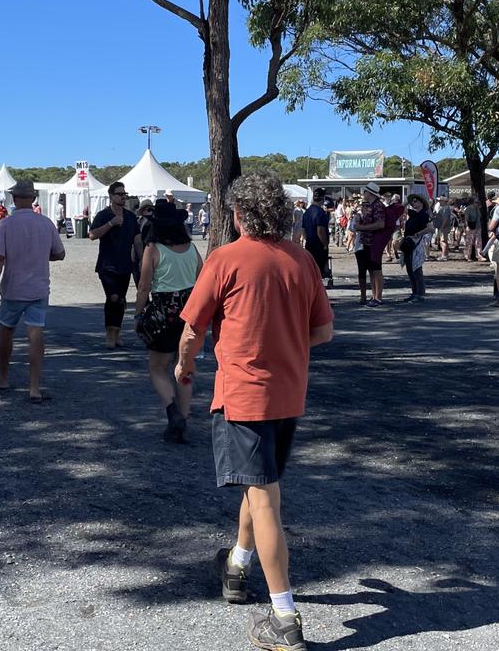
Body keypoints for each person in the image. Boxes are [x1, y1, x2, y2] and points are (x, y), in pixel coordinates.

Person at [175, 171, 333, 651]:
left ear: (238, 214)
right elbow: (323, 332)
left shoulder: (226, 259)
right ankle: (237, 566)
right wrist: (284, 346)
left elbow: (191, 330)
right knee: (261, 484)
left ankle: (285, 618)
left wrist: (184, 370)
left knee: (264, 497)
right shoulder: (301, 260)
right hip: (289, 393)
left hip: (245, 394)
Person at [0, 180, 66, 401]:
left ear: (14, 198)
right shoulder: (46, 223)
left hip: (13, 288)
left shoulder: (5, 225)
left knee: (5, 331)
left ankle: (2, 377)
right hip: (38, 288)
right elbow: (60, 253)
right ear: (33, 199)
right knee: (36, 336)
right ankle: (35, 388)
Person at [135, 200, 203, 442]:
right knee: (183, 367)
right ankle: (182, 420)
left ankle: (172, 411)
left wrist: (138, 314)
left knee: (158, 367)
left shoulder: (153, 250)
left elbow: (144, 287)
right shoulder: (191, 248)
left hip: (163, 312)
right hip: (189, 311)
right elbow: (201, 278)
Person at [89, 181, 139, 348]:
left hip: (125, 265)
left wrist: (143, 259)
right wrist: (111, 224)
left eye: (125, 194)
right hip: (107, 265)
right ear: (111, 196)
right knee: (113, 297)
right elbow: (92, 235)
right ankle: (109, 334)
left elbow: (137, 241)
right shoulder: (103, 215)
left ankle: (116, 332)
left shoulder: (131, 217)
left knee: (121, 299)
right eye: (120, 194)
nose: (123, 197)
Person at [351, 182, 388, 307]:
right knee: (372, 270)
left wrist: (362, 227)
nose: (363, 193)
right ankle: (374, 296)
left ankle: (378, 298)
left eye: (365, 191)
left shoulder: (378, 206)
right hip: (367, 241)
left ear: (370, 193)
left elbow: (380, 224)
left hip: (374, 241)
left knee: (376, 269)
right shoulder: (370, 206)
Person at [401, 194, 433, 302]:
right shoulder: (414, 214)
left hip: (416, 244)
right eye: (412, 202)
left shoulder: (424, 215)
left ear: (421, 202)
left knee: (416, 269)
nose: (413, 203)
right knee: (410, 269)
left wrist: (418, 234)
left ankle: (419, 294)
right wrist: (406, 202)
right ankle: (415, 292)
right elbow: (401, 209)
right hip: (409, 243)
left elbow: (430, 228)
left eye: (415, 201)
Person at [301, 188, 330, 278]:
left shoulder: (307, 212)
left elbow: (303, 230)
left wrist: (307, 239)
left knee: (310, 269)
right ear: (322, 198)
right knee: (318, 270)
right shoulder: (320, 212)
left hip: (309, 244)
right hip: (318, 245)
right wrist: (325, 244)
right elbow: (320, 230)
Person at [433, 196, 455, 261]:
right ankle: (445, 254)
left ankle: (444, 255)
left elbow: (445, 219)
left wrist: (442, 226)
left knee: (443, 241)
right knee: (444, 241)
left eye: (440, 200)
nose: (439, 202)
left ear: (444, 201)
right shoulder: (443, 208)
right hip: (443, 226)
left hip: (444, 227)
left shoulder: (445, 208)